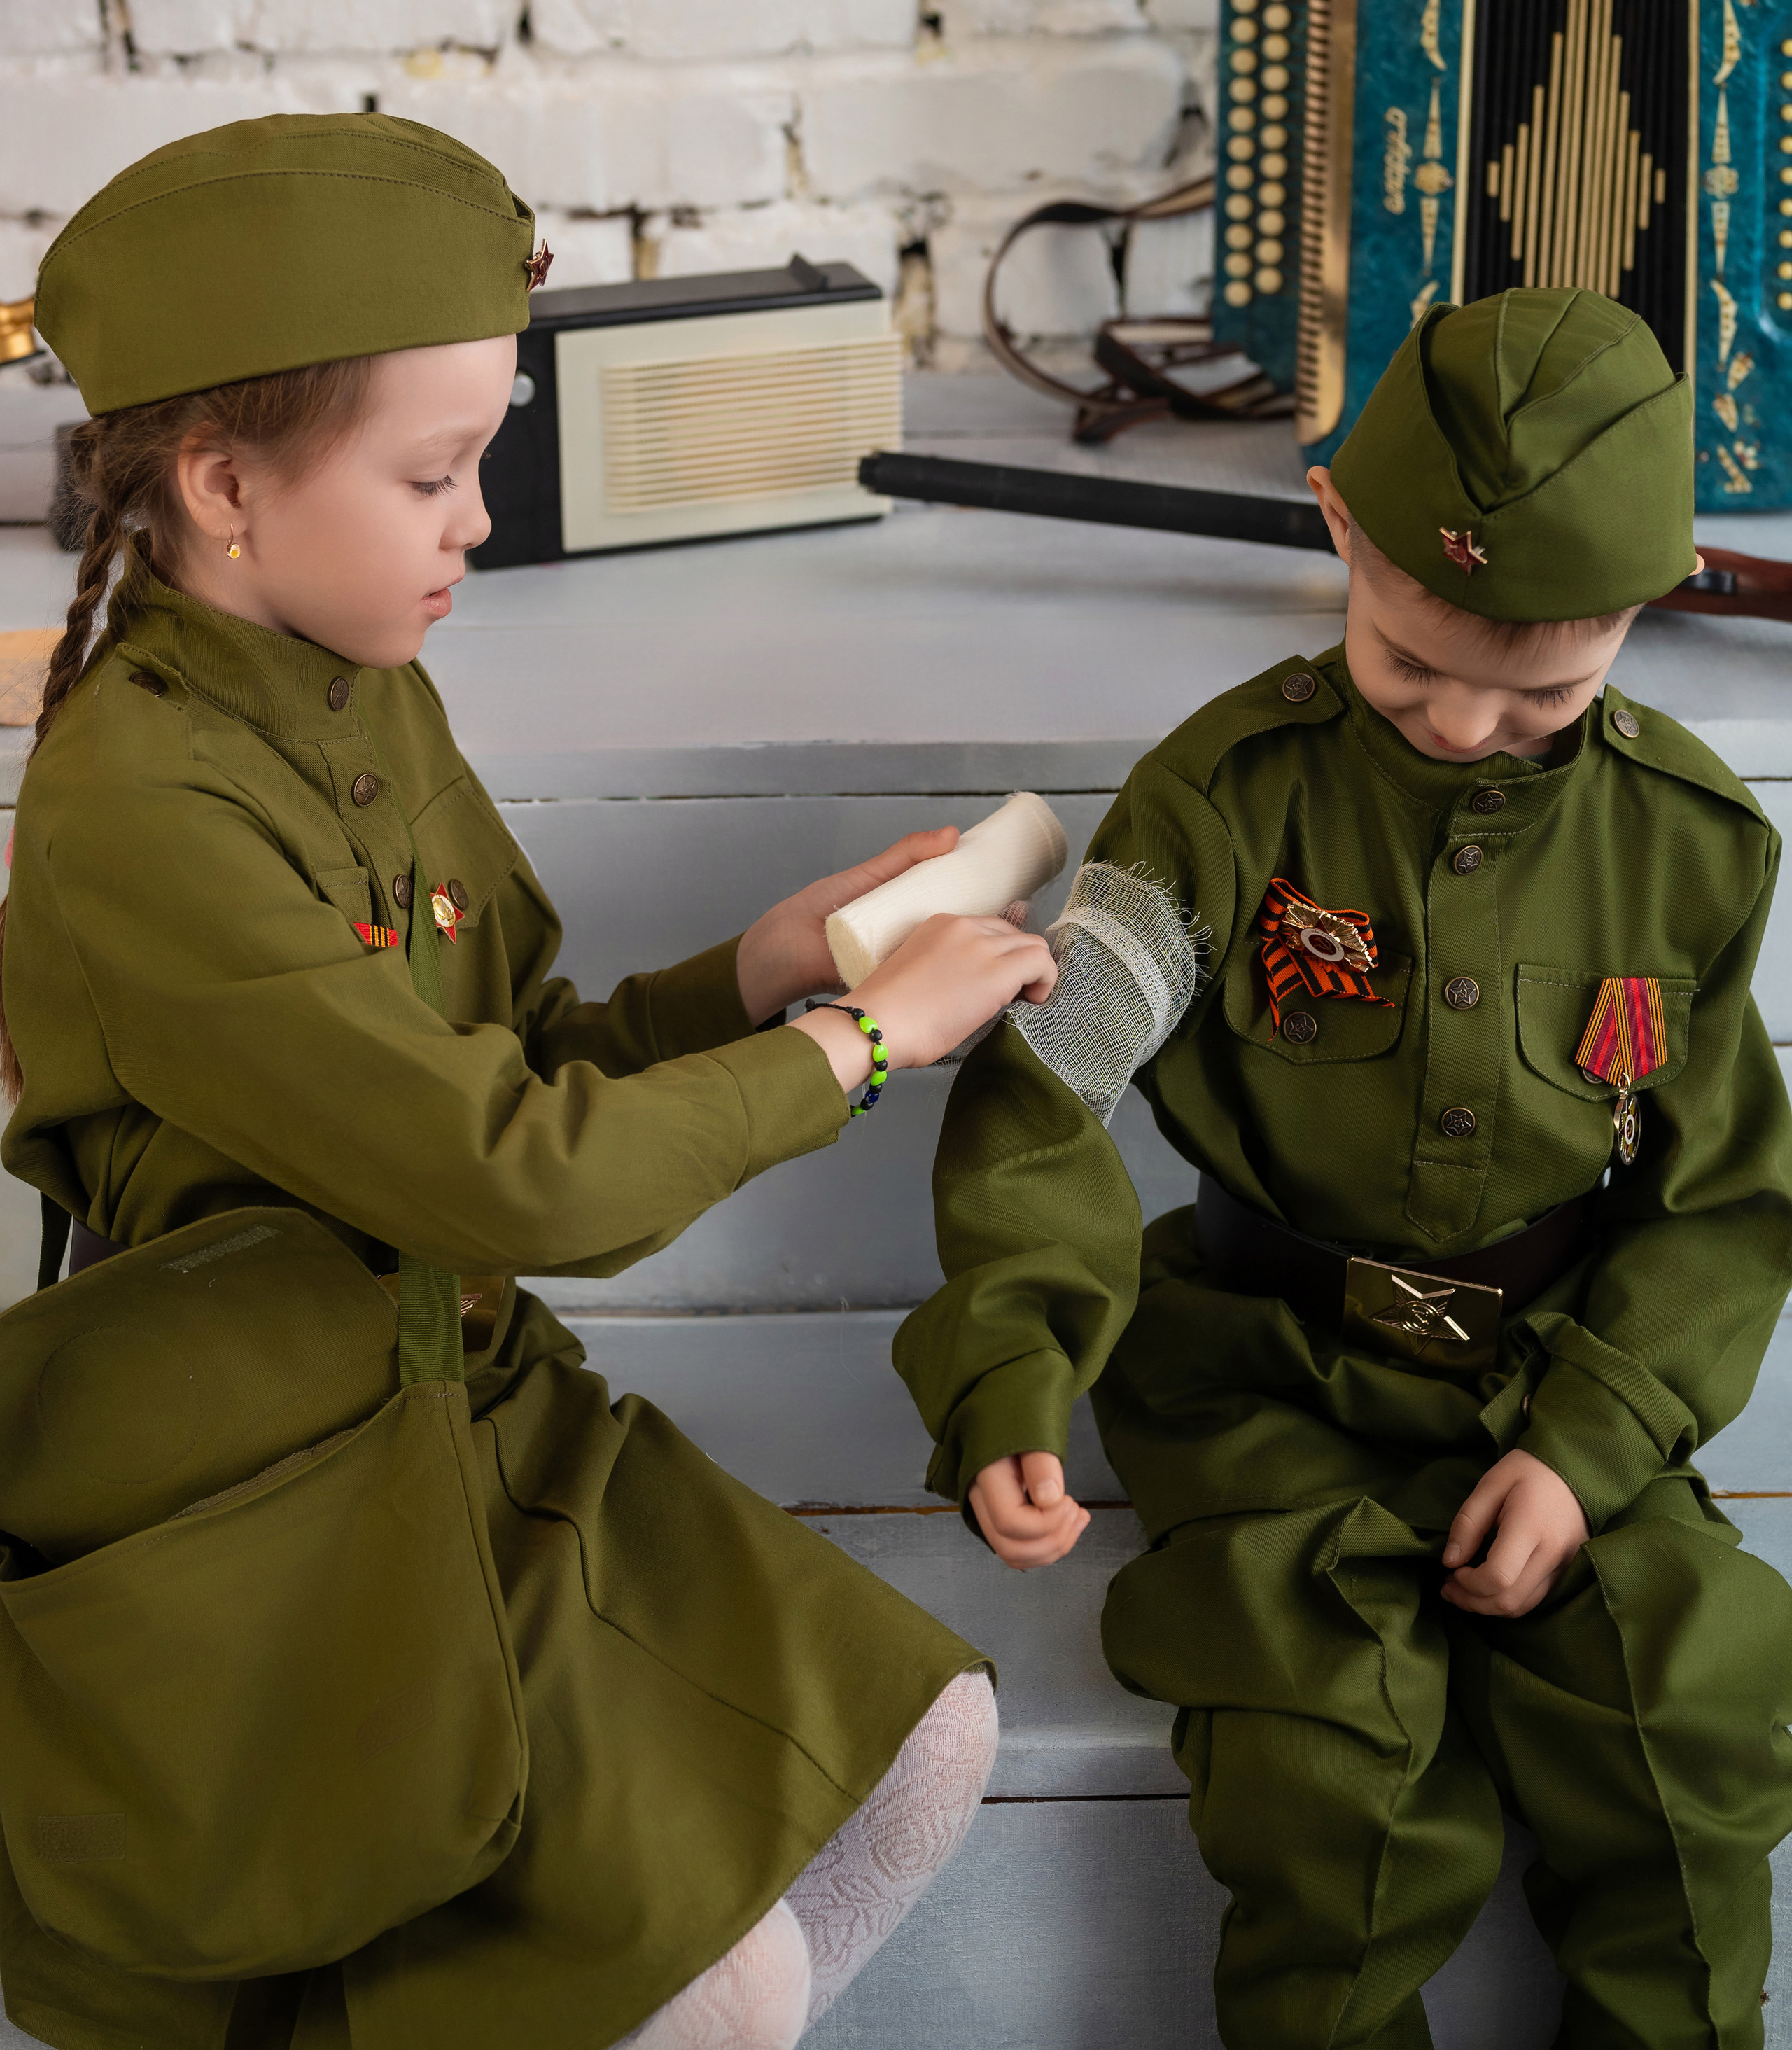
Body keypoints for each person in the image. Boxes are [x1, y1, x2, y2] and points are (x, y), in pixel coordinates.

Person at [0, 111, 1058, 2050]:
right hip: (274, 1497)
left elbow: (508, 1056)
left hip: (458, 1401)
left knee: (934, 1740)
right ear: (227, 484)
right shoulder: (141, 806)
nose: (480, 518)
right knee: (715, 1987)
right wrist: (865, 1044)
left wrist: (767, 969)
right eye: (435, 473)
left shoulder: (363, 674)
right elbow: (514, 1171)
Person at [895, 287, 1792, 2048]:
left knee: (1687, 1725)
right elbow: (1048, 1086)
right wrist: (1010, 1359)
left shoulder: (1681, 844)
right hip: (1264, 1374)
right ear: (1338, 527)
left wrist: (1582, 1449)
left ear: (1642, 607)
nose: (1460, 724)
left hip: (1561, 1374)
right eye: (1407, 661)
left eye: (1540, 687)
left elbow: (1715, 1200)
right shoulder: (1223, 800)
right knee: (1344, 1781)